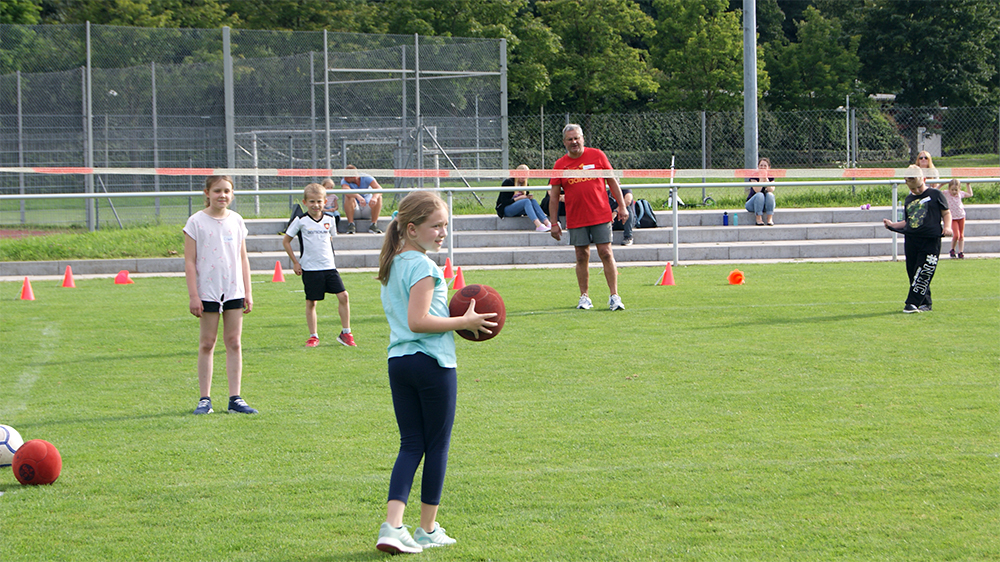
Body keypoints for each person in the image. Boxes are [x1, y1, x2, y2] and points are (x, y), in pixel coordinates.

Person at [374, 191, 497, 554]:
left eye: (445, 225)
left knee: (411, 444)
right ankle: (426, 528)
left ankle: (392, 526)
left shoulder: (395, 262)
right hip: (432, 362)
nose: (443, 232)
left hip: (400, 363)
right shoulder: (424, 267)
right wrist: (466, 320)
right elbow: (419, 321)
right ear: (411, 229)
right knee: (437, 446)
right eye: (436, 226)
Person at [183, 175, 257, 415]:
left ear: (232, 194)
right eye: (217, 191)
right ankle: (205, 399)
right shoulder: (196, 222)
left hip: (233, 289)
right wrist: (194, 295)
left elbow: (243, 258)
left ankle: (235, 398)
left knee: (234, 342)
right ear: (207, 193)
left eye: (226, 191)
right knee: (207, 343)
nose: (222, 195)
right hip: (208, 291)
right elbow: (190, 261)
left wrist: (248, 290)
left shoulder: (236, 220)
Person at [549, 124, 629, 311]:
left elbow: (612, 181)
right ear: (564, 142)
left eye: (577, 138)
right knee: (581, 255)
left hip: (600, 214)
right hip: (576, 217)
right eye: (570, 139)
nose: (574, 142)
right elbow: (554, 196)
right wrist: (554, 222)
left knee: (606, 252)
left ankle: (614, 296)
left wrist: (622, 206)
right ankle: (584, 297)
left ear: (583, 138)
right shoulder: (560, 165)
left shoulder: (598, 156)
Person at [282, 183, 356, 348]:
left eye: (319, 201)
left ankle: (346, 332)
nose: (316, 205)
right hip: (310, 268)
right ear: (305, 202)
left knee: (344, 296)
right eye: (312, 202)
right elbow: (286, 241)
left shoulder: (329, 220)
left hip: (329, 267)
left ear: (325, 202)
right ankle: (313, 336)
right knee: (312, 302)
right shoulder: (300, 221)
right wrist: (295, 262)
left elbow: (329, 239)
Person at [883, 165, 952, 313]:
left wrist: (947, 227)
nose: (916, 191)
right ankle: (925, 303)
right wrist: (892, 224)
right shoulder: (909, 199)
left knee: (924, 270)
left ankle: (911, 304)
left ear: (924, 179)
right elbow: (908, 221)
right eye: (913, 189)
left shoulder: (936, 194)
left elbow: (946, 213)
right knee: (913, 271)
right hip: (912, 240)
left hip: (930, 239)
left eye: (919, 187)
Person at [495, 164, 552, 232]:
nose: (524, 176)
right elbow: (504, 202)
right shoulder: (509, 182)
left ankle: (547, 223)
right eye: (522, 174)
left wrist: (528, 197)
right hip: (506, 210)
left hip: (518, 209)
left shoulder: (525, 184)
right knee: (526, 201)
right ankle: (538, 225)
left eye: (526, 174)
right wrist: (519, 198)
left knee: (532, 201)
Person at [341, 165, 384, 234]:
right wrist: (358, 196)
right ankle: (351, 224)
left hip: (368, 207)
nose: (344, 178)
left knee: (378, 197)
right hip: (355, 210)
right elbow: (346, 190)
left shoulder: (366, 177)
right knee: (348, 196)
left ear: (353, 176)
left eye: (346, 176)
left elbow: (379, 188)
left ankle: (373, 225)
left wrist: (374, 198)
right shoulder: (344, 181)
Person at [942, 179, 973, 259]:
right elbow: (935, 191)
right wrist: (941, 184)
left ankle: (961, 251)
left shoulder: (960, 194)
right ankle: (952, 249)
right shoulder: (947, 193)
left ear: (959, 189)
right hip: (953, 218)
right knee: (956, 235)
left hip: (961, 216)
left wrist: (968, 185)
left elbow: (970, 194)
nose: (954, 192)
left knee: (961, 235)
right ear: (949, 189)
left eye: (956, 190)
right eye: (952, 189)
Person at [746, 157, 776, 226]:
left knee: (770, 195)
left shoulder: (770, 177)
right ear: (758, 167)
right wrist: (762, 179)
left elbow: (771, 190)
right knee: (760, 195)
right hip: (752, 205)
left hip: (765, 205)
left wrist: (766, 179)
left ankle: (769, 219)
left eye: (765, 166)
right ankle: (758, 219)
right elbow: (757, 190)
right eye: (761, 166)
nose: (763, 168)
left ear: (769, 167)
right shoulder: (753, 177)